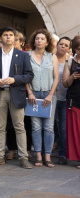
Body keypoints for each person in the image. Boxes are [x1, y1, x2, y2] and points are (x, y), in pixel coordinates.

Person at [0, 27, 33, 169]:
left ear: (15, 38)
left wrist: (14, 79)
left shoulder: (22, 55)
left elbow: (29, 75)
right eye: (5, 35)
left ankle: (23, 157)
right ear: (1, 38)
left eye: (11, 35)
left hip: (16, 93)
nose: (9, 38)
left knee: (19, 126)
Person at [26, 29, 59, 168]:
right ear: (34, 41)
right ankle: (38, 156)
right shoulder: (27, 56)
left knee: (49, 127)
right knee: (36, 127)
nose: (39, 40)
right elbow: (25, 76)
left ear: (47, 42)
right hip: (33, 95)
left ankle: (48, 156)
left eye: (42, 39)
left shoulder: (52, 57)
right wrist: (30, 93)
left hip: (49, 94)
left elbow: (57, 77)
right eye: (37, 38)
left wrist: (51, 94)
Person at [62, 35, 80, 168]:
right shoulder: (69, 62)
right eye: (79, 49)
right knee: (76, 131)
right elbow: (65, 83)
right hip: (74, 100)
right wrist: (73, 77)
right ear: (75, 49)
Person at [55, 36, 71, 165]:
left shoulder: (71, 61)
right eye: (61, 44)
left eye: (66, 45)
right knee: (48, 127)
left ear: (69, 48)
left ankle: (63, 154)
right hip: (51, 98)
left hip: (65, 99)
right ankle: (46, 153)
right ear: (57, 45)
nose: (63, 46)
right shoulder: (50, 59)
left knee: (63, 128)